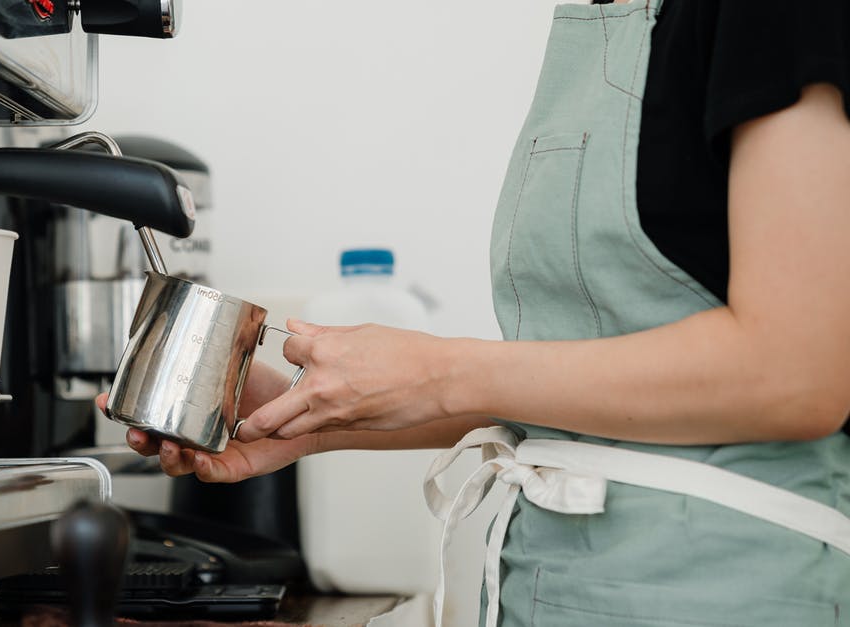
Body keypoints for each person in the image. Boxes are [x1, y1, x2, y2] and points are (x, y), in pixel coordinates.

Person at [100, 0, 850, 624]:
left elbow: (799, 370)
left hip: (716, 588)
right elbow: (578, 384)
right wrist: (310, 415)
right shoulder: (597, 27)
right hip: (545, 587)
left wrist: (445, 373)